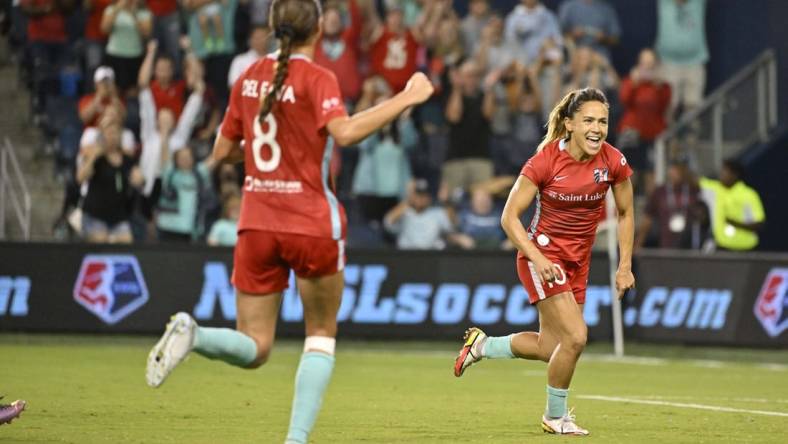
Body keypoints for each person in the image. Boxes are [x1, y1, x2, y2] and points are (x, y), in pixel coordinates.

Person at [145, 2, 434, 444]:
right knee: (319, 334)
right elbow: (346, 133)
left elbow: (220, 154)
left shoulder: (247, 77)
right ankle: (295, 440)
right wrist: (407, 97)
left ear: (272, 26)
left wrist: (272, 162)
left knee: (256, 346)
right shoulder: (318, 78)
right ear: (318, 28)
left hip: (257, 221)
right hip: (311, 222)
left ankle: (196, 334)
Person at [453, 87, 635, 435]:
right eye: (588, 120)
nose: (597, 128)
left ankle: (482, 346)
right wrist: (536, 257)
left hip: (577, 263)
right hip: (542, 257)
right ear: (569, 124)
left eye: (603, 121)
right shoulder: (545, 162)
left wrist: (624, 265)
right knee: (577, 338)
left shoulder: (613, 161)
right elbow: (509, 217)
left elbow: (626, 212)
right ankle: (555, 416)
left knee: (551, 346)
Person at [699, 158, 765, 251]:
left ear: (735, 175)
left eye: (725, 171)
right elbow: (693, 181)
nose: (721, 174)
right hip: (721, 247)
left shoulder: (749, 194)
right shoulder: (714, 189)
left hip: (745, 248)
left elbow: (759, 224)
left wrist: (734, 223)